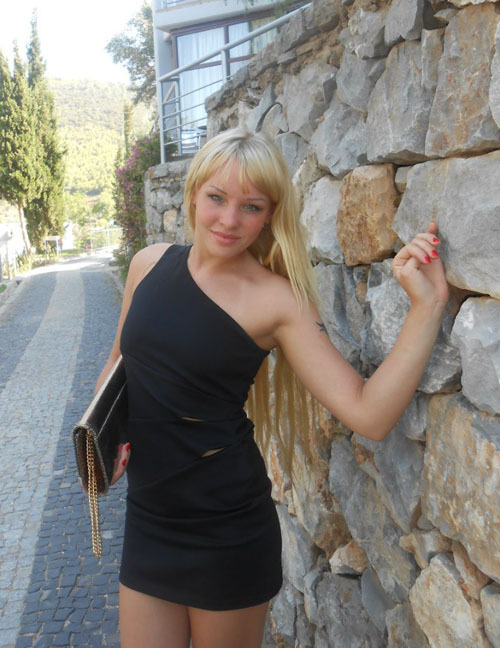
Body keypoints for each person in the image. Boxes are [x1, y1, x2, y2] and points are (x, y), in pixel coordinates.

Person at [94, 127, 449, 648]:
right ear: (193, 193)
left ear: (270, 215)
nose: (229, 220)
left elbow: (369, 413)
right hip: (148, 518)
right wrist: (101, 440)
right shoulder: (147, 264)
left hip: (225, 530)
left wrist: (427, 306)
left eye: (251, 207)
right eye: (217, 198)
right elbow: (117, 367)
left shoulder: (279, 302)